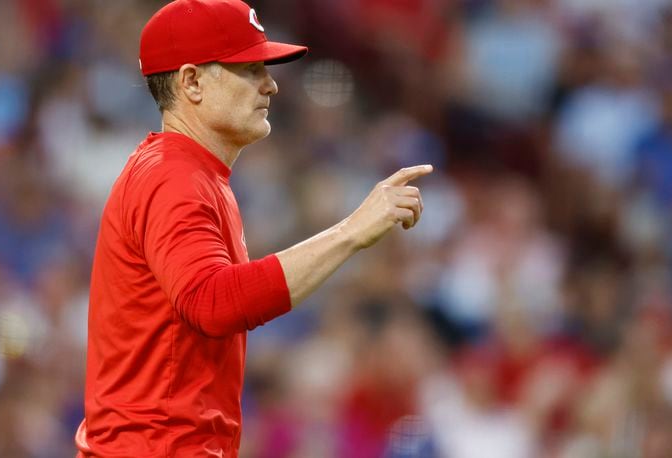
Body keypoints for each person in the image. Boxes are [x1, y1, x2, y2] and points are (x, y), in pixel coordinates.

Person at [75, 0, 433, 456]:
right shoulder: (172, 176)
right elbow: (212, 303)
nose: (271, 85)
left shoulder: (192, 174)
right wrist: (350, 232)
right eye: (249, 69)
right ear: (191, 81)